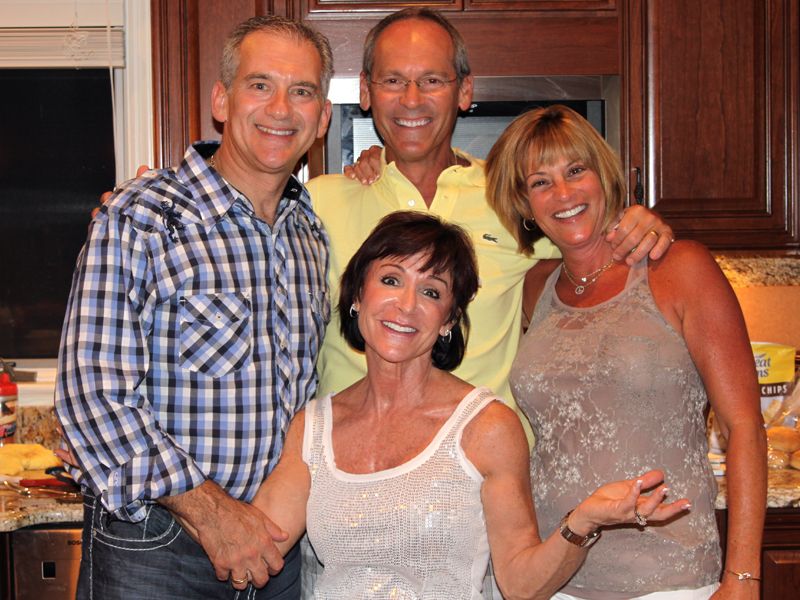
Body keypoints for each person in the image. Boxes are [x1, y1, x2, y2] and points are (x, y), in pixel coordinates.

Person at [247, 210, 691, 599]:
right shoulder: (313, 428)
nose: (406, 305)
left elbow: (520, 585)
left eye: (431, 292)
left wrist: (584, 520)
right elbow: (255, 545)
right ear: (357, 296)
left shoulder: (486, 427)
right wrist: (203, 499)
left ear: (449, 320)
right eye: (391, 280)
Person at [54, 16, 333, 599]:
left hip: (276, 546)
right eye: (260, 85)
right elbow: (94, 393)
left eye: (302, 91)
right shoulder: (142, 217)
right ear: (221, 100)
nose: (281, 109)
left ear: (323, 117)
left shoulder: (310, 234)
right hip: (159, 547)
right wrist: (214, 515)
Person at [307, 7, 674, 443]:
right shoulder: (317, 204)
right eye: (392, 80)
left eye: (432, 80)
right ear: (366, 91)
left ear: (464, 91)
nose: (411, 99)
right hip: (353, 465)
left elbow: (603, 256)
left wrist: (634, 223)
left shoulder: (515, 197)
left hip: (488, 468)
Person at [485, 105, 767, 599]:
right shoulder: (535, 287)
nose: (564, 193)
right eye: (541, 182)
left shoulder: (679, 268)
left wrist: (743, 577)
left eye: (576, 170)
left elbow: (743, 425)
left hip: (669, 575)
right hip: (554, 572)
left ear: (604, 177)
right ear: (525, 205)